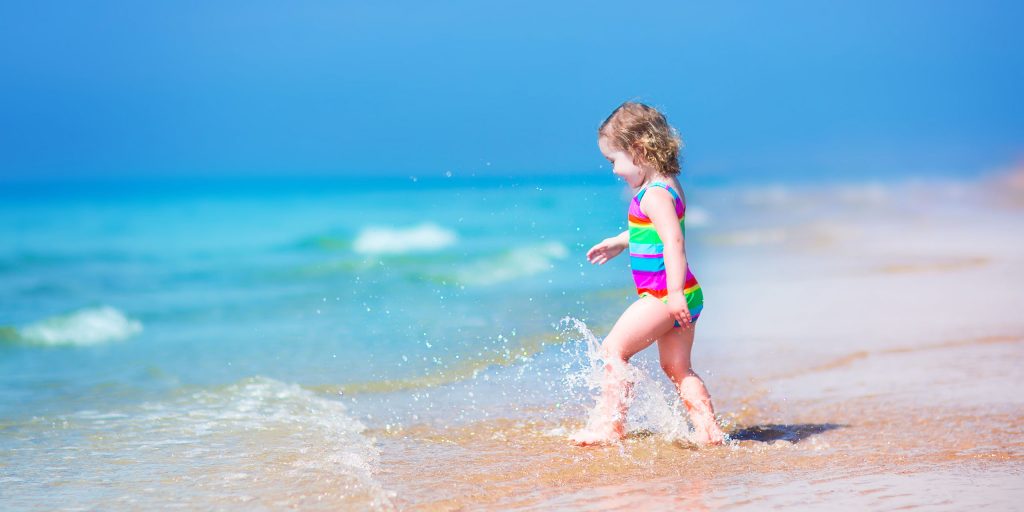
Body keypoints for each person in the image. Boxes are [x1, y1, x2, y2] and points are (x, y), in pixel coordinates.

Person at [570, 102, 725, 446]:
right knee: (678, 368)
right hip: (685, 293)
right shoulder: (668, 186)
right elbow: (654, 231)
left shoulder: (653, 195)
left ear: (638, 149)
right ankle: (708, 431)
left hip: (663, 295)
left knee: (613, 350)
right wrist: (621, 241)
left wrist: (671, 296)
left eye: (614, 160)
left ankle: (611, 426)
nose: (613, 170)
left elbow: (673, 240)